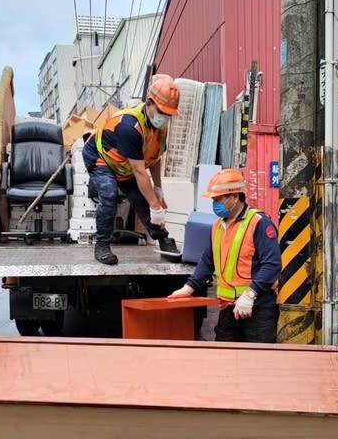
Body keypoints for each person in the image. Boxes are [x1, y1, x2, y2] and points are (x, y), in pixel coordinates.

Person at [170, 169, 281, 342]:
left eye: (218, 199)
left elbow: (272, 265)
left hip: (257, 308)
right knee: (226, 361)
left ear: (235, 197)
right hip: (228, 309)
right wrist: (188, 288)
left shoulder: (259, 223)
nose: (214, 204)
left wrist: (251, 294)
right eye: (213, 199)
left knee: (258, 363)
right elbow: (208, 260)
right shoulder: (217, 226)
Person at [82, 74, 181, 265]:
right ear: (150, 103)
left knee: (143, 198)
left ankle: (163, 240)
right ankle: (102, 244)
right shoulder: (130, 126)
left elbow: (154, 159)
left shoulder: (160, 127)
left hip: (125, 163)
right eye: (162, 111)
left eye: (169, 114)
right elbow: (139, 172)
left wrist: (158, 191)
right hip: (102, 157)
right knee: (109, 195)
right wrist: (155, 204)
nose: (165, 117)